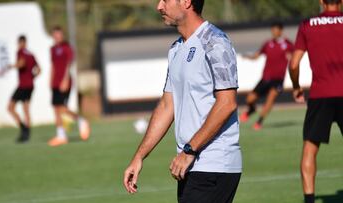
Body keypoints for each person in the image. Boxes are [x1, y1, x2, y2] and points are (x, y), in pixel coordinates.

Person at [123, 1, 242, 203]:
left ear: (187, 2)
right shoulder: (176, 49)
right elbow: (167, 106)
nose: (159, 6)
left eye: (166, 0)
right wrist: (139, 156)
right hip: (190, 166)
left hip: (213, 165)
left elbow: (227, 103)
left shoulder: (215, 41)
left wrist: (190, 150)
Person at [289, 1, 343, 203]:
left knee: (310, 149)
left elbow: (294, 64)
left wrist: (295, 86)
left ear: (321, 1)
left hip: (321, 95)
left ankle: (309, 200)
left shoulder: (307, 25)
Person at [240, 22, 294, 130]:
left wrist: (291, 58)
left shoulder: (287, 44)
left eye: (275, 30)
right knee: (250, 99)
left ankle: (259, 122)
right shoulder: (268, 44)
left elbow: (294, 56)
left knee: (270, 98)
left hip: (278, 79)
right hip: (266, 78)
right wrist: (248, 57)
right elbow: (257, 56)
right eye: (272, 30)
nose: (273, 33)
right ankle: (251, 110)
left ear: (280, 31)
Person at [48, 26, 90, 147]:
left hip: (65, 81)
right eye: (55, 35)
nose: (57, 37)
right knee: (56, 109)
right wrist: (50, 80)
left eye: (59, 34)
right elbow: (53, 65)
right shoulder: (52, 49)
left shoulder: (66, 48)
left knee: (62, 109)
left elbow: (69, 64)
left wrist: (65, 79)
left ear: (62, 35)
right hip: (55, 82)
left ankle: (81, 121)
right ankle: (61, 136)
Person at [7, 35, 40, 143]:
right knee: (26, 109)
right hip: (30, 86)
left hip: (23, 86)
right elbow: (39, 69)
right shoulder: (31, 54)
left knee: (10, 108)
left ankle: (23, 129)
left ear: (21, 43)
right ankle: (27, 134)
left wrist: (12, 66)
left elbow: (22, 63)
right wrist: (32, 77)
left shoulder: (20, 52)